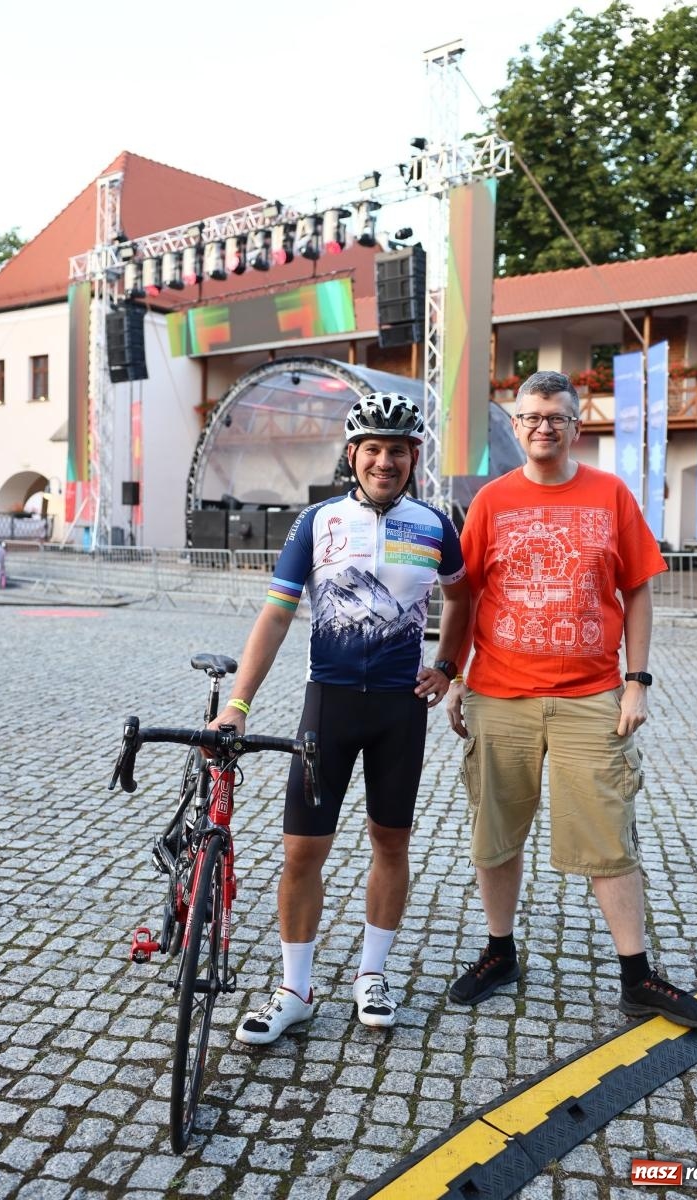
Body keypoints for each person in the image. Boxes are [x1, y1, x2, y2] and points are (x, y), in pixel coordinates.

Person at [446, 370, 697, 1028]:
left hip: (592, 696)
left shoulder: (610, 494)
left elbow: (639, 589)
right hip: (498, 694)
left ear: (576, 425)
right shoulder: (490, 502)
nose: (543, 427)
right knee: (495, 834)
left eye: (556, 417)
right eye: (532, 416)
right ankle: (499, 952)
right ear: (516, 426)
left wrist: (637, 680)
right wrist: (453, 675)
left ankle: (637, 973)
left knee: (608, 838)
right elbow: (466, 595)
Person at [211, 392, 470, 1045]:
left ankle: (371, 976)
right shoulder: (316, 522)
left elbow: (464, 597)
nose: (385, 461)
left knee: (391, 844)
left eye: (398, 451)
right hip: (327, 703)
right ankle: (295, 989)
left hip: (398, 711)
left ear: (414, 458)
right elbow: (274, 616)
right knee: (302, 852)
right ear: (353, 456)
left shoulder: (436, 524)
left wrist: (447, 666)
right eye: (373, 450)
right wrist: (236, 706)